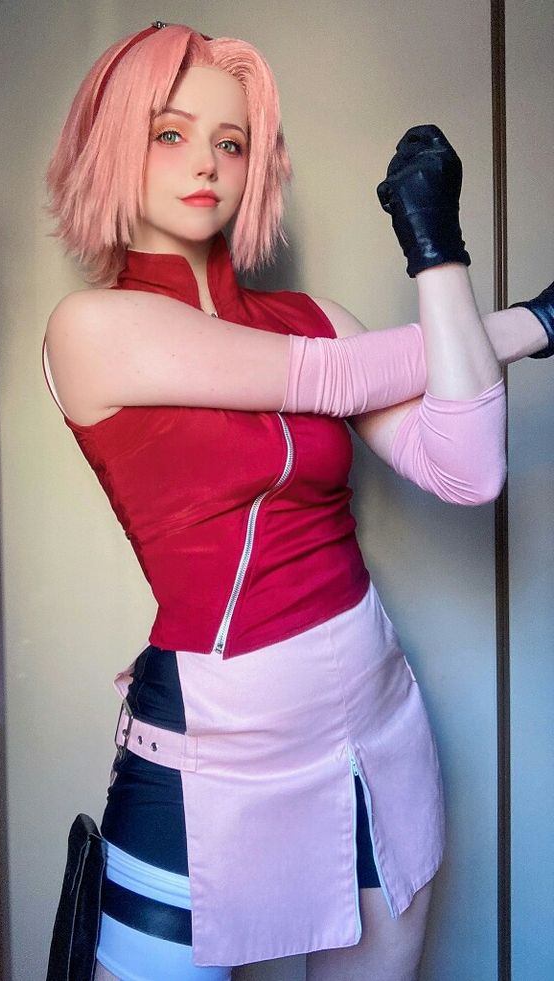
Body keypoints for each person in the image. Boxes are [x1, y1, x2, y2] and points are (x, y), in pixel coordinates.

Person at [41, 23, 553, 981]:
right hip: (210, 749)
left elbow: (467, 468)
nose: (207, 163)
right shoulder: (93, 326)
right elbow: (329, 376)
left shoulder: (313, 315)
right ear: (115, 144)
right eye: (170, 133)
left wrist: (436, 253)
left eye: (231, 142)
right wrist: (540, 320)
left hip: (375, 725)